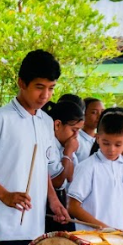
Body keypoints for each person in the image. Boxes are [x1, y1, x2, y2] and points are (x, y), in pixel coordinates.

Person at [0, 49, 70, 245]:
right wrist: (5, 195)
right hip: (2, 228)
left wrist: (53, 200)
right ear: (21, 83)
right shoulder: (1, 118)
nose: (45, 95)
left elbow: (42, 167)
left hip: (35, 227)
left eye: (51, 89)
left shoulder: (46, 122)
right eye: (39, 87)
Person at [67, 110, 123, 236]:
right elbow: (73, 207)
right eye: (106, 143)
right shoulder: (87, 167)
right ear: (97, 138)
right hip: (92, 239)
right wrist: (105, 229)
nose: (111, 149)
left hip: (122, 240)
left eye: (118, 144)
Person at [44, 95, 85, 232]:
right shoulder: (49, 144)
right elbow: (57, 180)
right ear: (57, 125)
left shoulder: (65, 144)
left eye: (78, 131)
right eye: (74, 130)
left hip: (62, 199)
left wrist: (69, 152)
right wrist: (68, 152)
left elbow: (71, 177)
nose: (76, 136)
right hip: (48, 203)